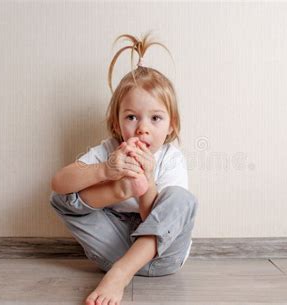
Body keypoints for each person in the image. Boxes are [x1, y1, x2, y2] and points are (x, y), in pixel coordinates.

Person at [49, 31, 198, 305]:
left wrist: (147, 183)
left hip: (164, 256)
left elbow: (159, 221)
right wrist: (106, 172)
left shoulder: (170, 158)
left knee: (182, 200)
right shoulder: (109, 151)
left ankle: (120, 275)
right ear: (117, 124)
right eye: (131, 117)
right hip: (113, 247)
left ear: (171, 126)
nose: (142, 128)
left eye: (155, 118)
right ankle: (120, 189)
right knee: (63, 197)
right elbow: (58, 183)